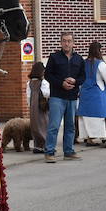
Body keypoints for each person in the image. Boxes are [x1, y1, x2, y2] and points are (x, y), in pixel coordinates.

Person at [42, 31, 85, 164]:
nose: (67, 43)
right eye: (64, 41)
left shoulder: (79, 59)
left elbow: (83, 77)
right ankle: (49, 152)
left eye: (69, 41)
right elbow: (48, 75)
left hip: (72, 97)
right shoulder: (54, 57)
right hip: (57, 97)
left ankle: (69, 151)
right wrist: (62, 83)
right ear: (61, 42)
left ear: (73, 42)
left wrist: (75, 81)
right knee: (54, 125)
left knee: (70, 126)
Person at [78, 41, 106, 145]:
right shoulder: (100, 64)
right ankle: (104, 136)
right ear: (99, 50)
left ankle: (89, 138)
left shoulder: (83, 63)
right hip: (97, 93)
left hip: (84, 92)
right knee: (101, 116)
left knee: (86, 117)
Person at [26, 61, 49, 152]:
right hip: (42, 105)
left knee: (35, 125)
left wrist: (30, 105)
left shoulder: (29, 83)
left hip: (33, 105)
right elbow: (46, 93)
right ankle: (45, 145)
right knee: (44, 123)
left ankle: (37, 145)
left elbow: (28, 95)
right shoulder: (43, 82)